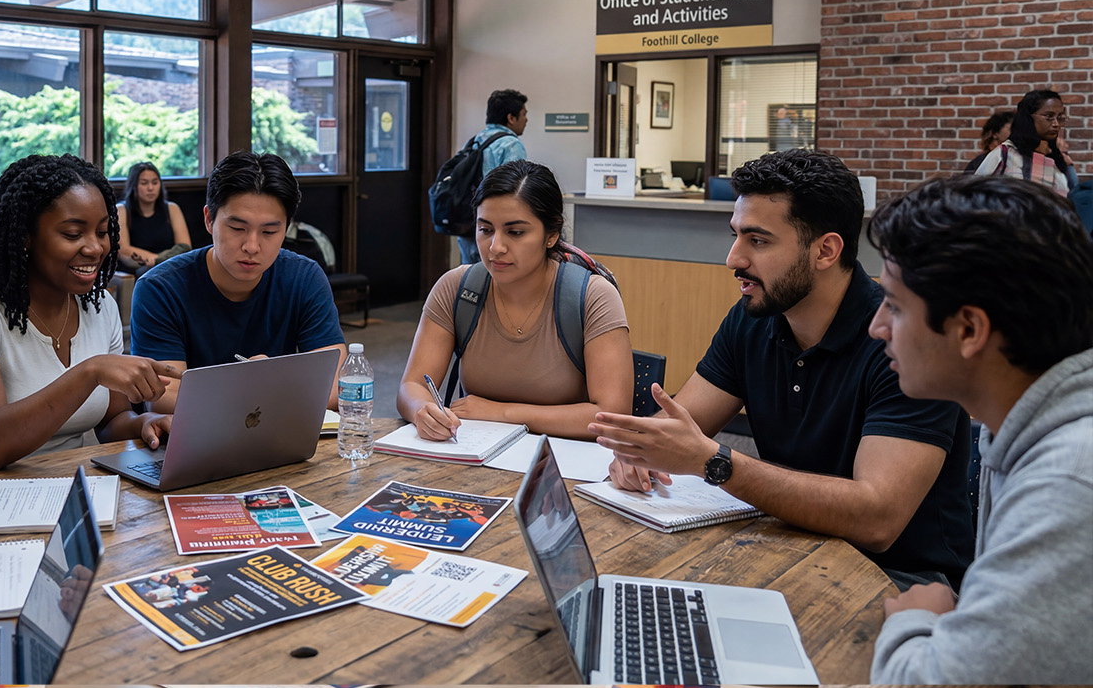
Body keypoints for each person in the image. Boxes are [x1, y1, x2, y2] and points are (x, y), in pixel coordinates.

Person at [587, 149, 974, 590]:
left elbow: (878, 519)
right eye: (735, 236)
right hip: (787, 544)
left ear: (825, 250)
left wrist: (716, 464)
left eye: (758, 240)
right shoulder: (753, 318)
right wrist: (639, 454)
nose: (733, 259)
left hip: (900, 579)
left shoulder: (905, 340)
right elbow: (682, 427)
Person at [865, 177, 1092, 683]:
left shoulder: (1065, 485)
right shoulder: (1021, 425)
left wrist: (914, 621)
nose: (876, 327)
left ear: (969, 329)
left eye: (896, 307)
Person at [0, 154, 177, 477]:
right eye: (73, 234)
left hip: (72, 480)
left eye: (102, 232)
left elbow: (110, 421)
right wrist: (90, 372)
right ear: (25, 236)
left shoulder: (100, 305)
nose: (95, 248)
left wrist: (144, 423)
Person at [397, 160, 633, 440]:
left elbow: (611, 415)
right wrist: (422, 409)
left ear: (552, 234)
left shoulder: (591, 296)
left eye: (515, 232)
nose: (496, 247)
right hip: (475, 459)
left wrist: (503, 412)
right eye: (485, 229)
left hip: (562, 466)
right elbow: (411, 385)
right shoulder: (458, 288)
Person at [130, 150, 347, 412]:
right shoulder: (160, 288)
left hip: (275, 439)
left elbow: (337, 384)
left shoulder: (304, 277)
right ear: (209, 219)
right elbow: (163, 398)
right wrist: (254, 389)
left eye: (269, 231)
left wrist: (264, 389)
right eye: (237, 229)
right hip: (192, 445)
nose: (252, 246)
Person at [456, 89, 530, 264]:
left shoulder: (475, 140)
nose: (526, 120)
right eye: (524, 114)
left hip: (468, 219)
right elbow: (514, 188)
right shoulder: (511, 144)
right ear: (511, 118)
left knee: (469, 275)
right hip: (495, 224)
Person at [974, 89, 1074, 196]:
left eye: (1060, 117)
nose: (1056, 124)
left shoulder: (1055, 162)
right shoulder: (1005, 154)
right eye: (1049, 116)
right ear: (1028, 118)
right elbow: (973, 194)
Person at [115, 161, 191, 276]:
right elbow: (124, 251)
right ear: (134, 186)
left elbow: (185, 247)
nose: (150, 188)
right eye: (144, 183)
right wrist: (158, 260)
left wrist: (158, 261)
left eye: (155, 183)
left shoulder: (172, 208)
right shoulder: (122, 210)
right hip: (137, 270)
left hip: (171, 267)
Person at [959, 109, 1013, 174]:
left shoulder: (1019, 161)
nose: (1017, 132)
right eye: (1011, 129)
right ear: (995, 133)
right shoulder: (978, 163)